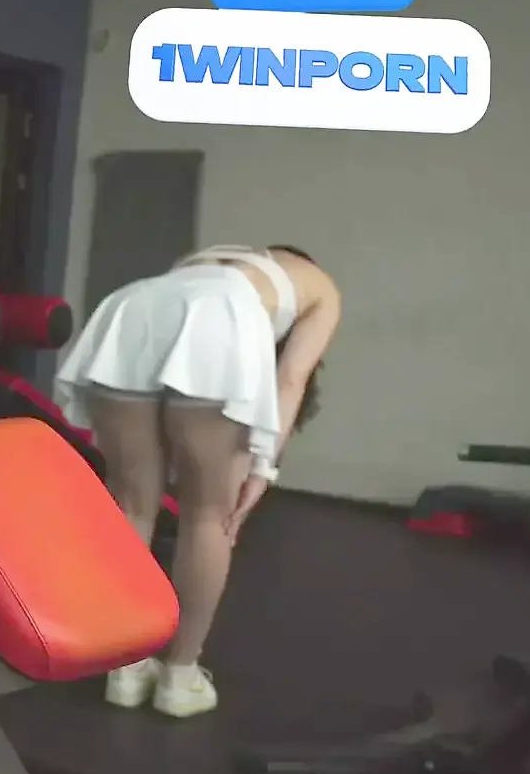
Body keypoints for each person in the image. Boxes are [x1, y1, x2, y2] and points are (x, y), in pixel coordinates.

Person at [54, 244, 339, 718]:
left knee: (131, 506)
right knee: (209, 516)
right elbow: (291, 379)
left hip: (131, 309)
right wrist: (262, 469)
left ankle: (125, 667)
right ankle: (179, 677)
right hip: (220, 317)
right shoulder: (321, 287)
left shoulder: (211, 258)